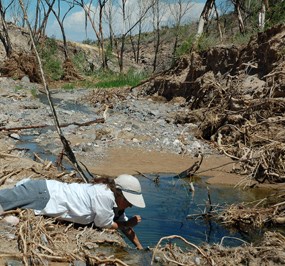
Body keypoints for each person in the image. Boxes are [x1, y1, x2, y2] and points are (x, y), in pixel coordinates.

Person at [0, 174, 145, 249]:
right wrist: (128, 224)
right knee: (2, 202)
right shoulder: (105, 195)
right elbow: (104, 223)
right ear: (119, 193)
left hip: (45, 193)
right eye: (129, 201)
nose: (130, 206)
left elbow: (122, 223)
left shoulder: (115, 203)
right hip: (44, 195)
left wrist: (139, 247)